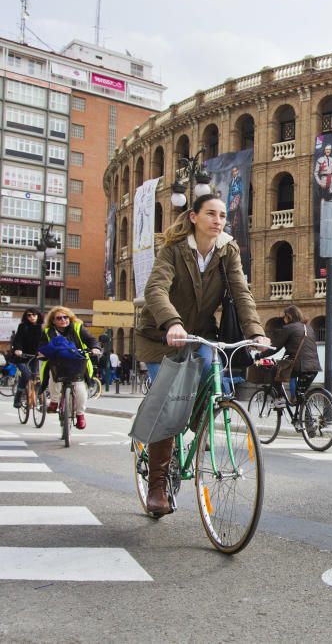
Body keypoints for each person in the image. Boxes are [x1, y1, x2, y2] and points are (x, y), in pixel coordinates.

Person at [135, 193, 268, 517]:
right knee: (169, 404)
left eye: (222, 214)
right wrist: (172, 322)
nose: (218, 220)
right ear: (194, 217)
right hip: (162, 336)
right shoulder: (174, 250)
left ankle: (195, 424)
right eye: (211, 213)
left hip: (201, 336)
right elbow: (155, 289)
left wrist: (256, 333)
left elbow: (241, 291)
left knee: (211, 375)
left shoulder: (227, 250)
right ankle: (157, 486)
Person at [256, 305, 322, 430]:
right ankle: (308, 425)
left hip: (298, 366)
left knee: (274, 370)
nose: (283, 319)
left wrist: (260, 355)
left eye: (284, 317)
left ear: (289, 316)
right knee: (301, 396)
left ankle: (280, 399)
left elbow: (275, 347)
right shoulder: (309, 328)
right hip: (314, 367)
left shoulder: (289, 328)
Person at [39, 306, 101, 429]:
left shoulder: (78, 328)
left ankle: (80, 415)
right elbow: (41, 345)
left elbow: (90, 339)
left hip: (77, 363)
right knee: (53, 376)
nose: (63, 320)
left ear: (70, 318)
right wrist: (40, 353)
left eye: (65, 317)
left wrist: (95, 348)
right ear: (53, 321)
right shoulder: (47, 332)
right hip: (57, 363)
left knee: (80, 387)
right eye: (59, 318)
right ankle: (54, 401)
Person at [11, 307, 43, 409]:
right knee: (26, 374)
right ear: (26, 317)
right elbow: (18, 340)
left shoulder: (42, 328)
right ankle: (18, 396)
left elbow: (44, 342)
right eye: (29, 315)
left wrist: (44, 351)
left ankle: (41, 400)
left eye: (34, 315)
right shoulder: (23, 326)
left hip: (35, 357)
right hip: (21, 357)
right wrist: (18, 349)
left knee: (36, 376)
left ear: (38, 316)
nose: (32, 317)